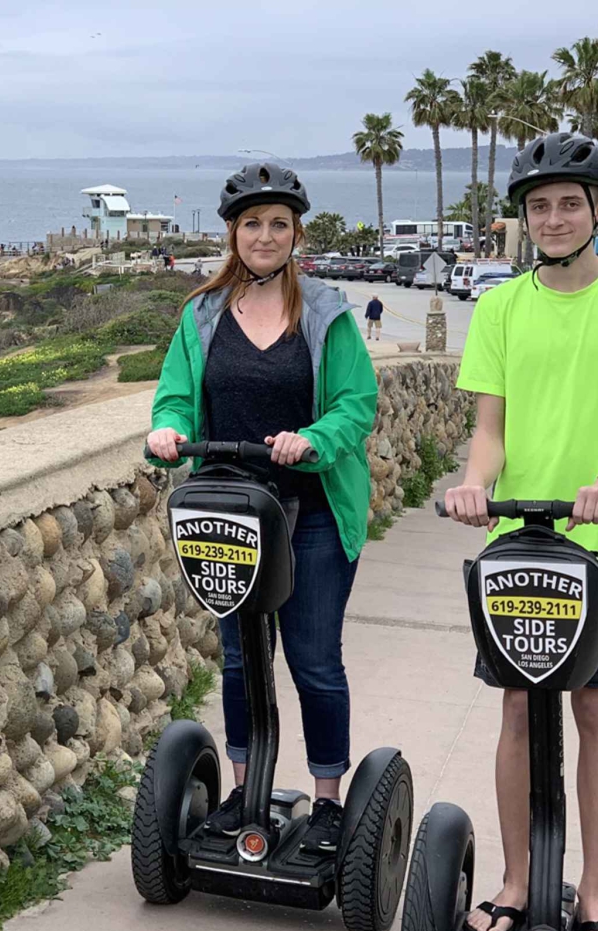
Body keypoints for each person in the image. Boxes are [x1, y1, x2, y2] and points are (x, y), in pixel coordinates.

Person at [442, 132, 598, 931]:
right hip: (518, 547)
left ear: (596, 211)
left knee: (596, 709)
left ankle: (595, 891)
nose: (552, 218)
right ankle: (515, 879)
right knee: (516, 708)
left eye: (568, 203)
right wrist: (475, 483)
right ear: (524, 217)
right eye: (538, 206)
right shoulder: (502, 308)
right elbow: (489, 431)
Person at [146, 162, 378, 854]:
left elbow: (356, 406)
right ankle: (245, 787)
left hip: (310, 512)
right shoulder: (201, 314)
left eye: (279, 223)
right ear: (233, 233)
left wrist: (312, 439)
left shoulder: (327, 313)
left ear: (295, 231)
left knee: (312, 660)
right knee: (243, 660)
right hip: (232, 514)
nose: (266, 235)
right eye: (253, 223)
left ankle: (330, 801)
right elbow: (177, 395)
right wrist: (166, 428)